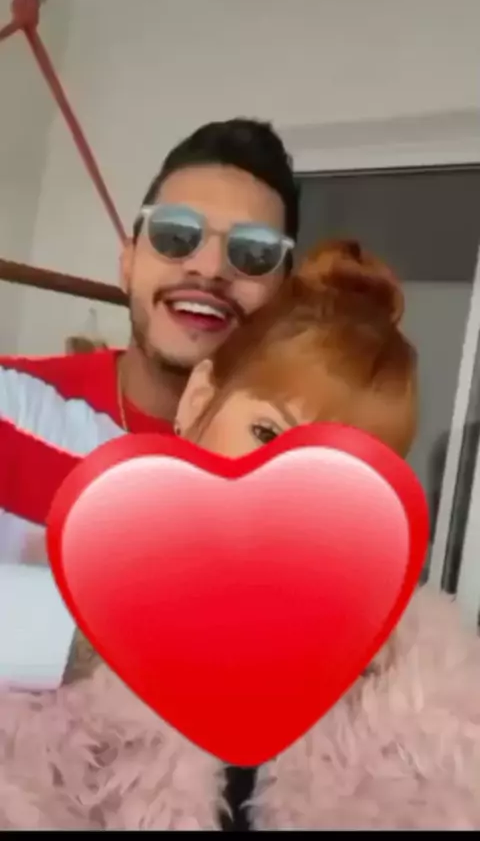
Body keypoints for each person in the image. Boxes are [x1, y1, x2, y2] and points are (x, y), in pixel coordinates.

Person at [1, 240, 479, 830]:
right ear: (200, 398)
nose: (290, 490)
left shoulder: (421, 680)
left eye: (338, 469)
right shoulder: (51, 610)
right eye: (266, 432)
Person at [0, 117, 299, 690]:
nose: (209, 269)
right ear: (128, 262)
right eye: (176, 235)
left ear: (282, 296)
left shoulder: (297, 480)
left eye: (254, 252)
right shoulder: (10, 407)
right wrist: (109, 636)